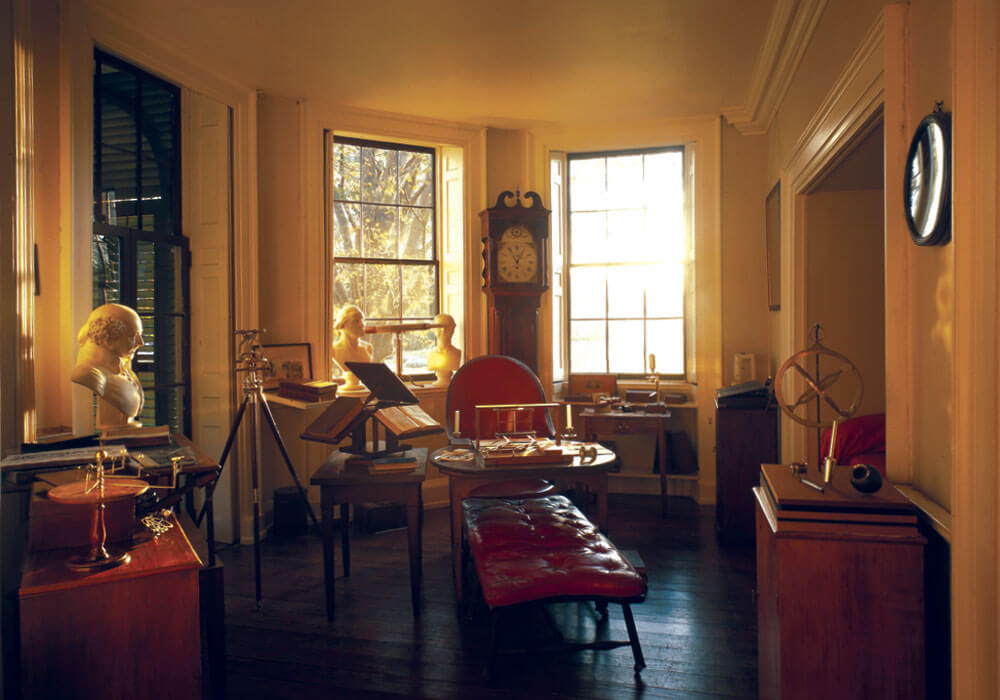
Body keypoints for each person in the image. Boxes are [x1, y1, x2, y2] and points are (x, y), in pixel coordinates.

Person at [71, 303, 145, 428]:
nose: (141, 343)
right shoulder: (88, 374)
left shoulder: (124, 370)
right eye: (134, 336)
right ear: (109, 338)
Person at [332, 305, 373, 393]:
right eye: (355, 321)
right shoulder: (333, 351)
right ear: (343, 324)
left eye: (362, 320)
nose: (362, 325)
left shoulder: (367, 349)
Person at [426, 313, 461, 386]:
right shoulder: (431, 355)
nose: (444, 330)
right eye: (440, 327)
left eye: (448, 327)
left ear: (453, 329)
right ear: (434, 330)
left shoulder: (457, 353)